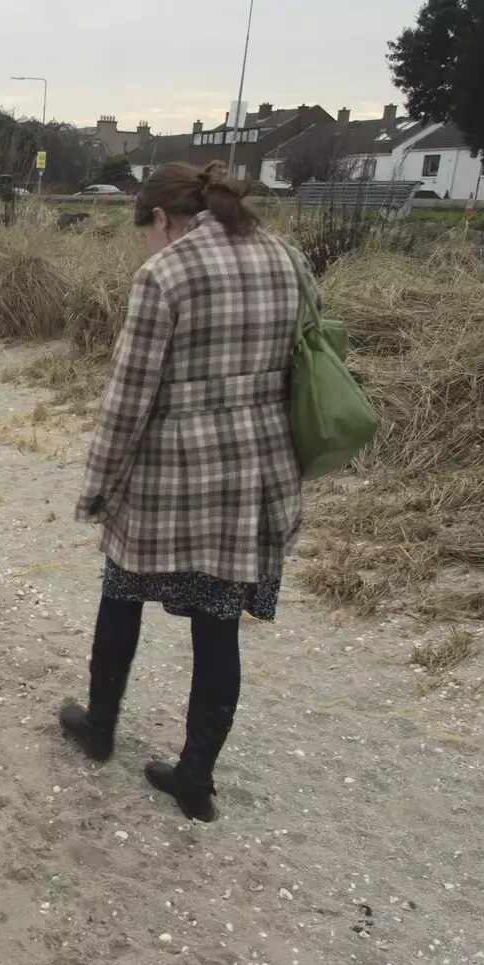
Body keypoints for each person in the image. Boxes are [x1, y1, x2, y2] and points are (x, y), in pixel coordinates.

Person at [58, 160, 308, 822]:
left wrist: (97, 486)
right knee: (218, 623)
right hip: (255, 471)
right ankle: (196, 778)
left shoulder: (165, 274)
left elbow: (127, 399)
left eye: (144, 230)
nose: (144, 243)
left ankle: (100, 728)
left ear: (162, 219)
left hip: (170, 474)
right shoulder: (286, 259)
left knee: (121, 593)